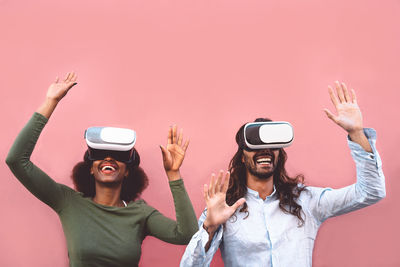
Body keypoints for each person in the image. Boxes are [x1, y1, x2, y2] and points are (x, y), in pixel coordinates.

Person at [180, 81, 386, 267]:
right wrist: (209, 228)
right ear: (242, 156)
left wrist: (357, 134)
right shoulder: (224, 209)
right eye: (255, 144)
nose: (265, 150)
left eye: (271, 144)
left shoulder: (307, 201)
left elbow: (370, 192)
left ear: (280, 152)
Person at [6, 72, 198, 267]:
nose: (108, 158)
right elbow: (16, 160)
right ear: (90, 168)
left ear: (128, 171)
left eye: (119, 155)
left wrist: (174, 174)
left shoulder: (141, 213)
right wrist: (51, 101)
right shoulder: (69, 202)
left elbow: (187, 234)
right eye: (99, 153)